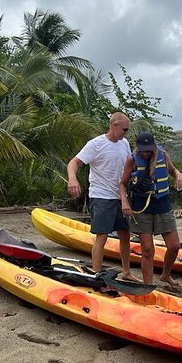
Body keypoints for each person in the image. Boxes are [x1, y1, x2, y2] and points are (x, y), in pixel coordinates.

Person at [66, 112, 140, 282]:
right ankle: (96, 274)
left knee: (125, 234)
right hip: (101, 196)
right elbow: (74, 162)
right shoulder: (96, 144)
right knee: (102, 236)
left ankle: (126, 271)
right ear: (114, 126)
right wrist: (72, 179)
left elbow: (129, 166)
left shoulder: (124, 143)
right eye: (124, 129)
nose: (126, 133)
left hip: (120, 196)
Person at [120, 131, 182, 287]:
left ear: (153, 147)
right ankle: (148, 287)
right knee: (147, 250)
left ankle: (165, 275)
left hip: (162, 204)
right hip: (142, 207)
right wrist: (125, 202)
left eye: (148, 149)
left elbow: (173, 171)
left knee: (174, 246)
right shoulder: (132, 159)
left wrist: (178, 175)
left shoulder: (162, 155)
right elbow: (122, 183)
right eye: (142, 149)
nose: (145, 153)